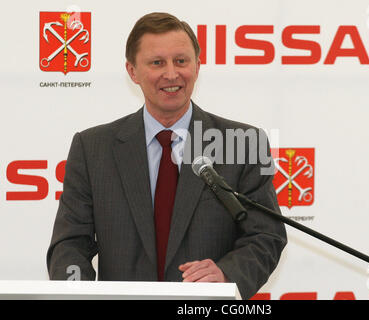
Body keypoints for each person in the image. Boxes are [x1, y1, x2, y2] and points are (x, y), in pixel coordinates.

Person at [47, 12, 287, 300]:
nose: (171, 74)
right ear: (133, 71)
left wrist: (226, 275)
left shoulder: (243, 143)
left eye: (181, 61)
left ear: (198, 67)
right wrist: (75, 292)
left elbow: (266, 236)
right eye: (157, 62)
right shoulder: (92, 148)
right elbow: (71, 244)